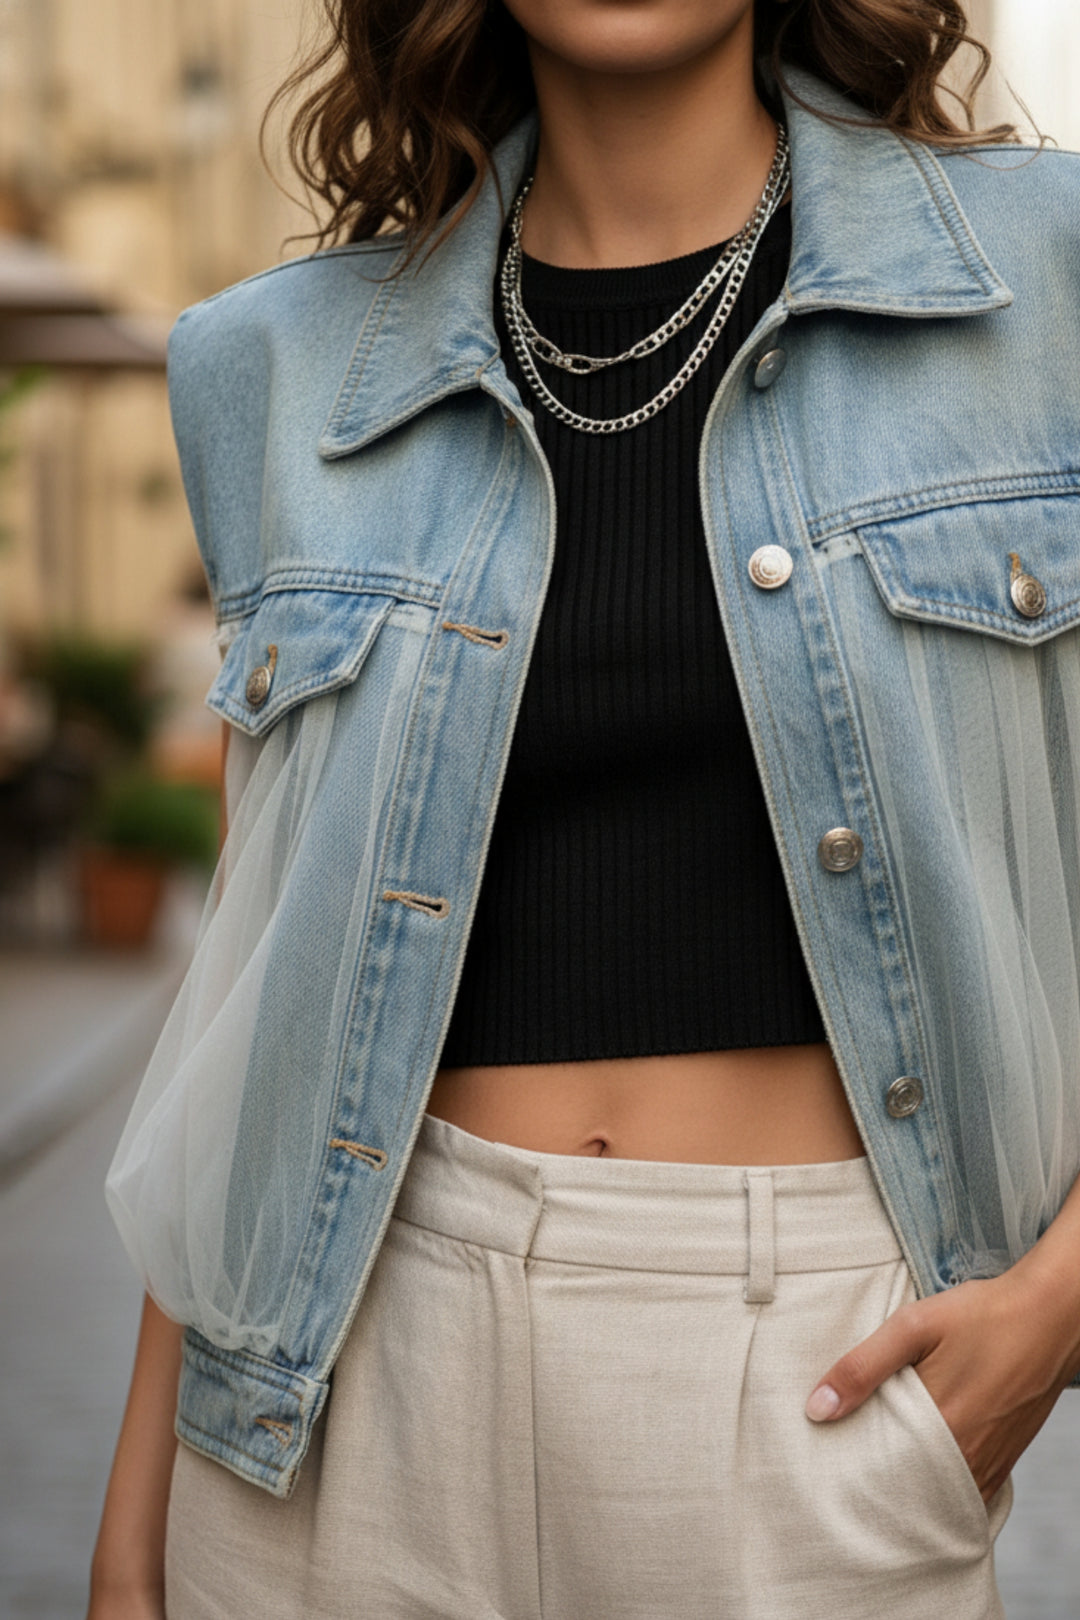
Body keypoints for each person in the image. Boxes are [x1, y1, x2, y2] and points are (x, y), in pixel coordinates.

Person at [89, 0, 1080, 1615]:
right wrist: (137, 1520)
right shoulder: (275, 367)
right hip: (333, 1389)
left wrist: (1061, 1302)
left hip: (807, 1387)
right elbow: (264, 989)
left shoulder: (1043, 287)